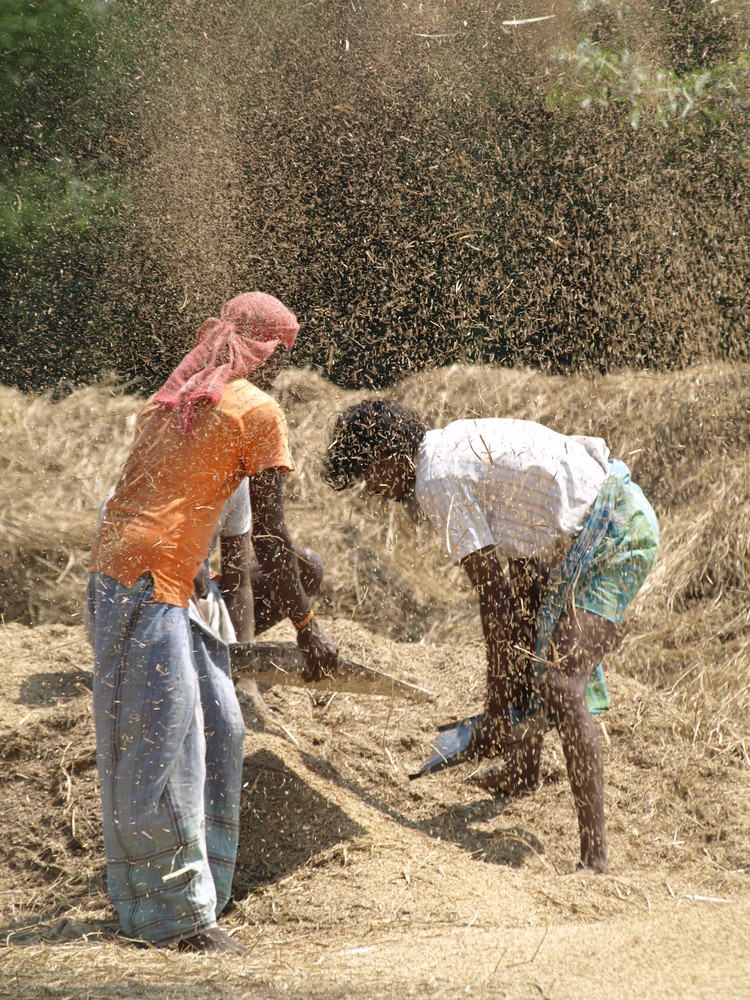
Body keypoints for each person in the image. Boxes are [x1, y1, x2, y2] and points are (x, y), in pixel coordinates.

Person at [87, 292, 338, 953]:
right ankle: (178, 923)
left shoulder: (178, 395)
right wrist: (309, 626)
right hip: (146, 584)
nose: (279, 370)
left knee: (221, 725)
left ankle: (208, 890)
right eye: (279, 355)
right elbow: (275, 544)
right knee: (162, 753)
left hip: (139, 579)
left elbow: (172, 501)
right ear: (267, 351)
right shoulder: (257, 411)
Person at [322, 400, 659, 874]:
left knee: (563, 684)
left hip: (616, 528)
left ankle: (595, 859)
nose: (373, 491)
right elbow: (519, 572)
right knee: (530, 621)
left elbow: (492, 598)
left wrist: (499, 711)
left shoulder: (435, 479)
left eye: (367, 475)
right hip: (590, 520)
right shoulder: (447, 445)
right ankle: (523, 772)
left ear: (385, 455)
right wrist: (509, 691)